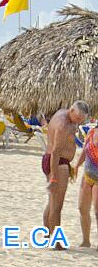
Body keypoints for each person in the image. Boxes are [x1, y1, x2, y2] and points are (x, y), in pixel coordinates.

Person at [43, 100, 90, 249]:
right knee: (57, 206)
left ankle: (47, 236)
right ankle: (56, 242)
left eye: (81, 120)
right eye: (77, 118)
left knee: (52, 202)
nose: (78, 122)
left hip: (51, 159)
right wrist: (54, 176)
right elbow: (56, 152)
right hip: (57, 163)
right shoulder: (64, 124)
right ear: (71, 110)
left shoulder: (61, 113)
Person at [73, 124, 98, 249]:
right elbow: (84, 151)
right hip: (87, 176)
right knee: (82, 208)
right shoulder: (92, 132)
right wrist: (77, 165)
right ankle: (86, 241)